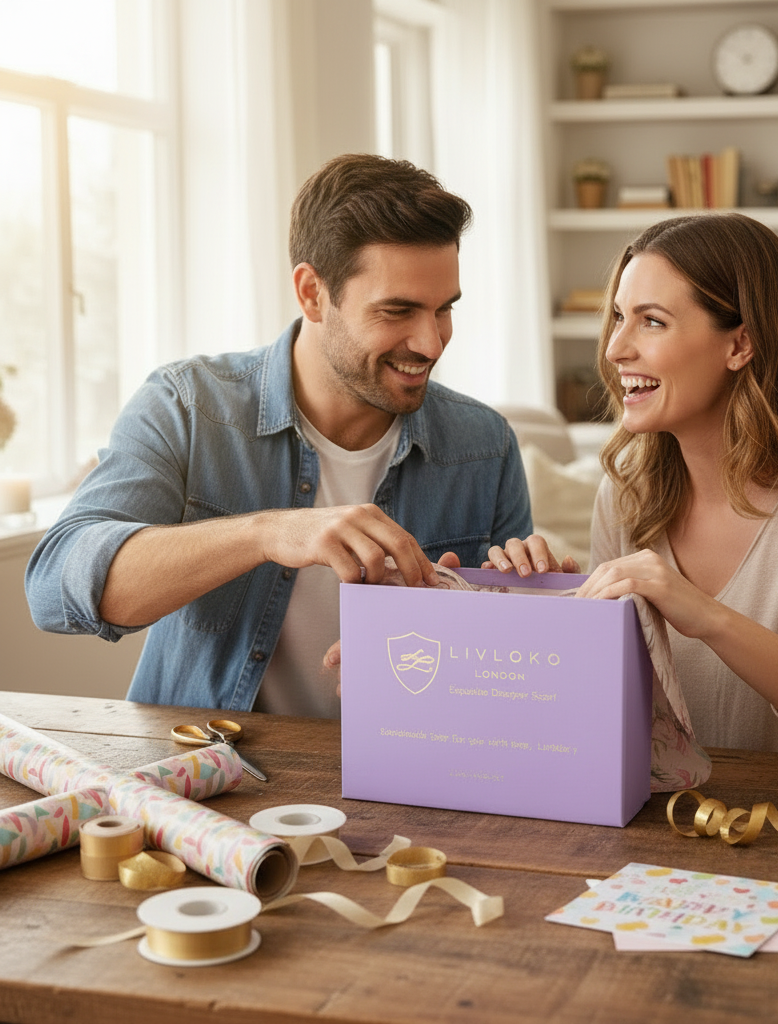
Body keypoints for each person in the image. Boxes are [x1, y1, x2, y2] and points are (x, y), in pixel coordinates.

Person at [25, 154, 532, 716]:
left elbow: (507, 685)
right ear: (312, 292)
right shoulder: (188, 406)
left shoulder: (485, 445)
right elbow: (54, 585)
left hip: (403, 764)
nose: (431, 343)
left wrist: (545, 604)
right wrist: (266, 533)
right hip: (209, 763)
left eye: (444, 310)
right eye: (397, 311)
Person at [491, 213, 778, 767]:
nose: (615, 348)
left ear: (740, 344)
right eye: (618, 317)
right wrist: (547, 619)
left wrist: (708, 617)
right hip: (682, 811)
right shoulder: (626, 493)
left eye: (652, 321)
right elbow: (612, 718)